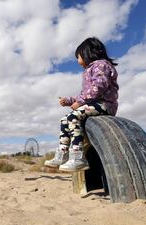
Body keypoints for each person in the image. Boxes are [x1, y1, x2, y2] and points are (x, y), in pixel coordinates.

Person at [44, 37, 119, 172]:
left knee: (73, 117)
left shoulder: (101, 65)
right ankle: (62, 154)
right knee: (64, 119)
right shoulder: (90, 70)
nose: (78, 61)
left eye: (78, 56)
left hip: (104, 104)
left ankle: (78, 157)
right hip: (93, 104)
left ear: (87, 53)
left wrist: (80, 102)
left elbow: (98, 87)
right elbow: (84, 94)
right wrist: (69, 101)